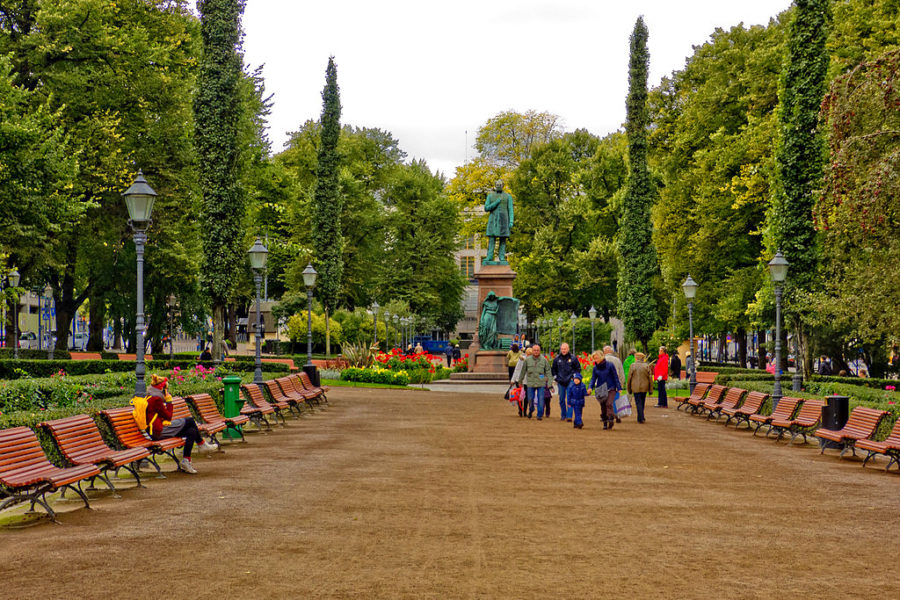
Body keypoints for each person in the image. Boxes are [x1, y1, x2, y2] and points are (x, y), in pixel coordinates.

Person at [144, 374, 217, 474]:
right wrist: (169, 402)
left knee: (191, 431)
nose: (167, 391)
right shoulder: (156, 399)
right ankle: (201, 444)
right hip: (159, 432)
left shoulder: (151, 397)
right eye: (166, 389)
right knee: (190, 420)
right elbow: (168, 416)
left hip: (158, 429)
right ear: (162, 388)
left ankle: (186, 461)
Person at [517, 344, 552, 420]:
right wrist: (520, 381)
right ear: (532, 351)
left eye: (537, 350)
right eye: (534, 350)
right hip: (530, 383)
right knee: (530, 398)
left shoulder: (544, 360)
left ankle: (539, 415)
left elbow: (548, 372)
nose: (536, 352)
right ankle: (531, 408)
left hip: (541, 383)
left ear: (540, 351)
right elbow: (523, 371)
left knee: (541, 399)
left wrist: (549, 383)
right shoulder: (527, 360)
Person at [588, 351, 620, 430]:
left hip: (611, 387)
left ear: (601, 357)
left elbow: (615, 376)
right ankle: (605, 422)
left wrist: (619, 387)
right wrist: (590, 387)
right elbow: (593, 379)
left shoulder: (610, 365)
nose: (596, 360)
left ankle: (611, 418)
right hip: (601, 389)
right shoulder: (595, 368)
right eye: (594, 359)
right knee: (603, 406)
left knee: (609, 403)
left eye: (597, 358)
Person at [552, 343, 580, 422]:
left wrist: (574, 377)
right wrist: (556, 378)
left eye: (565, 349)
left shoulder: (573, 358)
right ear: (560, 349)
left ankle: (569, 416)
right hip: (560, 382)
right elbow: (553, 370)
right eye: (562, 349)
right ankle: (563, 414)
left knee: (570, 398)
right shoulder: (557, 359)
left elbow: (578, 369)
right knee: (561, 399)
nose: (564, 350)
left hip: (570, 381)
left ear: (568, 349)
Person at [626, 352, 652, 423]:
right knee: (642, 402)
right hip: (645, 386)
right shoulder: (646, 366)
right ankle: (641, 417)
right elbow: (650, 378)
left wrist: (629, 388)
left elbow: (629, 378)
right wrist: (650, 389)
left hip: (635, 386)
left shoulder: (633, 366)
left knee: (638, 402)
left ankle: (640, 417)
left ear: (636, 358)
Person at [604, 346, 626, 423]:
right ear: (612, 351)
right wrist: (621, 384)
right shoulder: (617, 360)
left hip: (605, 384)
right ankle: (616, 414)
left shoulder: (602, 360)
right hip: (616, 384)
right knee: (615, 400)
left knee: (606, 400)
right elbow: (621, 374)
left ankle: (608, 415)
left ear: (604, 352)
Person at [511, 346, 531, 417]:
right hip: (520, 380)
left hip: (528, 381)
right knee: (520, 396)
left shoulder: (531, 360)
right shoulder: (521, 359)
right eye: (528, 354)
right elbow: (517, 369)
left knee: (526, 397)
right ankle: (520, 410)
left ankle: (524, 411)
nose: (529, 355)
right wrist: (513, 379)